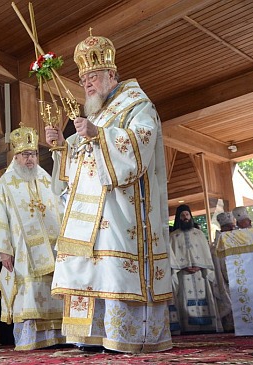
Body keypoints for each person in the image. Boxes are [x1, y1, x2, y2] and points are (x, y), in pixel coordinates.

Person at [44, 29, 172, 353]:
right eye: (84, 78)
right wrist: (62, 147)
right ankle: (90, 335)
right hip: (87, 212)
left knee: (114, 268)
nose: (87, 83)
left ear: (111, 73)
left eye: (93, 76)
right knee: (89, 267)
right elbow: (79, 164)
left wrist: (100, 134)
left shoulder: (137, 104)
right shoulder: (96, 113)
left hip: (122, 207)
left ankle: (123, 335)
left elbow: (141, 143)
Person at [0, 125, 65, 351]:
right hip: (23, 251)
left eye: (33, 154)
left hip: (52, 248)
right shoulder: (5, 183)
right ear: (15, 157)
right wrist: (4, 251)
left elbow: (59, 208)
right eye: (25, 154)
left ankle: (58, 336)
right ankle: (31, 339)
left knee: (53, 291)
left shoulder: (45, 178)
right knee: (30, 293)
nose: (30, 159)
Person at [169, 204, 222, 334]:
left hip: (200, 273)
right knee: (185, 299)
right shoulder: (173, 236)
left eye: (187, 215)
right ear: (178, 218)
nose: (185, 217)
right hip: (183, 273)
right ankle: (188, 328)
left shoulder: (198, 234)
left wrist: (200, 265)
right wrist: (183, 266)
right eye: (182, 215)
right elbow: (172, 256)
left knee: (204, 297)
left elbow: (206, 254)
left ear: (190, 216)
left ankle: (207, 328)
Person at [210, 212, 235, 332]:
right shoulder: (216, 245)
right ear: (222, 228)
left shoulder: (237, 241)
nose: (231, 229)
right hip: (223, 280)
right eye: (228, 227)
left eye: (232, 226)